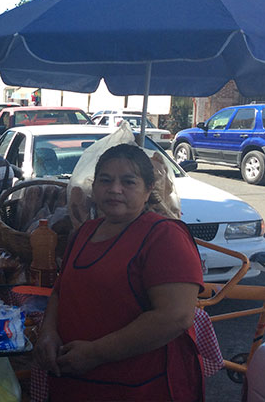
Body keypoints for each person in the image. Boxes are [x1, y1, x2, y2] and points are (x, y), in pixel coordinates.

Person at [34, 144, 204, 401]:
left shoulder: (164, 235)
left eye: (128, 182)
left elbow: (175, 317)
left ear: (148, 189)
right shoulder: (85, 232)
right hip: (74, 383)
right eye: (105, 180)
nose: (114, 189)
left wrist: (95, 353)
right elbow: (61, 291)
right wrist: (48, 333)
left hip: (138, 388)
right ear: (94, 187)